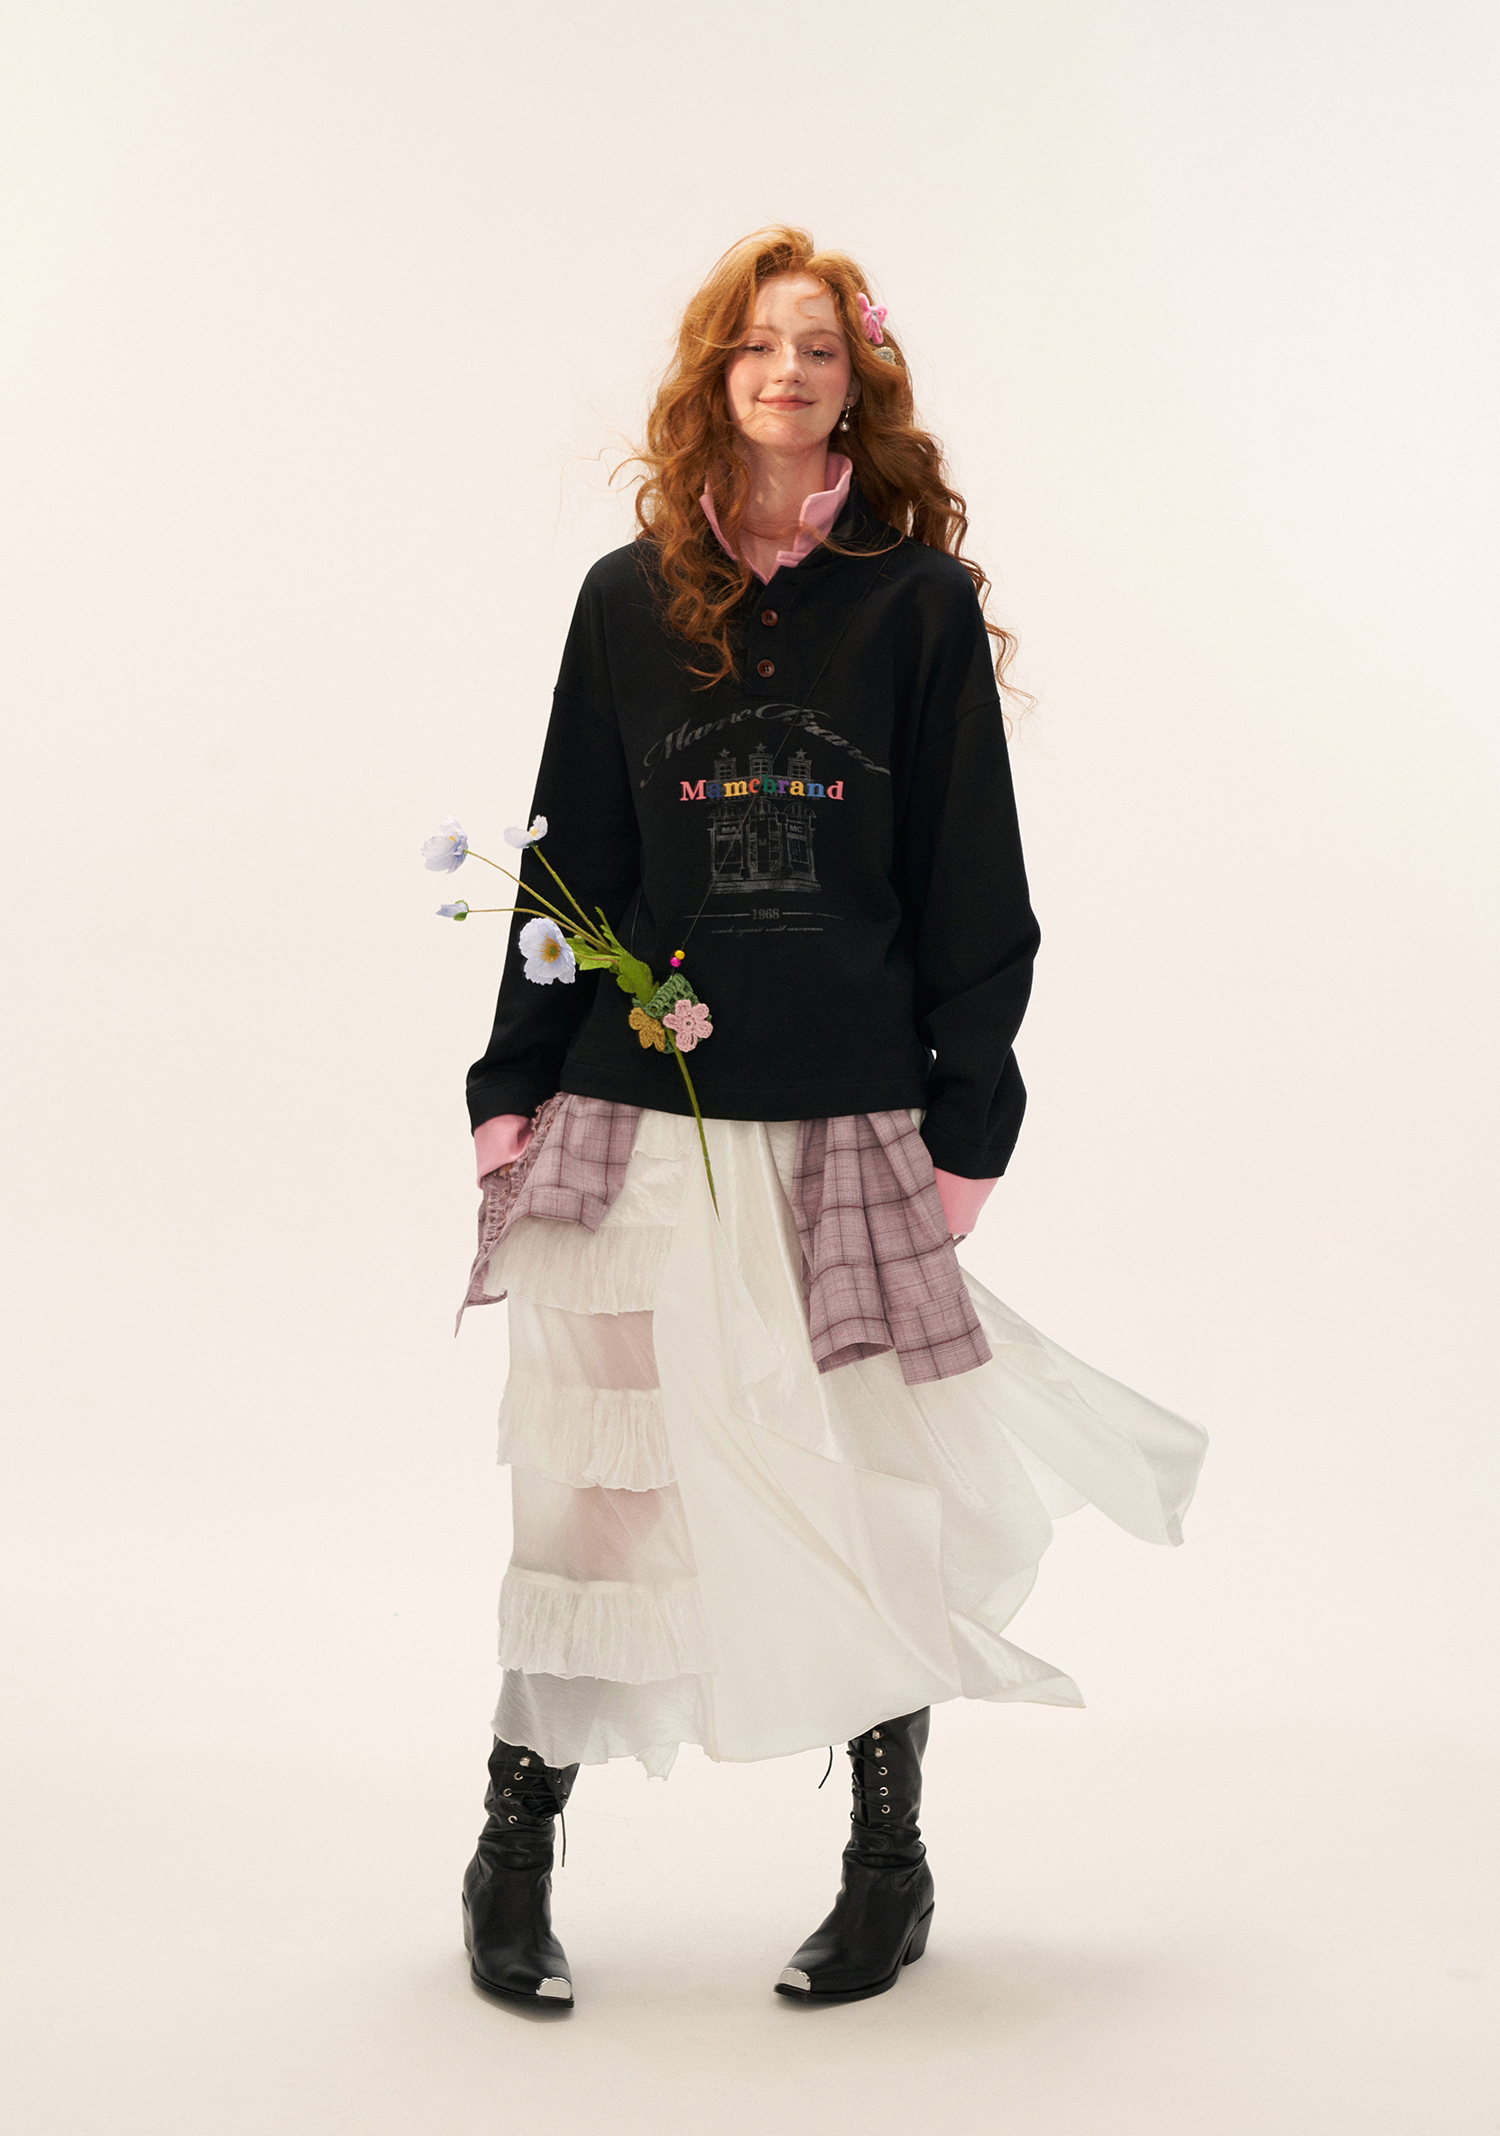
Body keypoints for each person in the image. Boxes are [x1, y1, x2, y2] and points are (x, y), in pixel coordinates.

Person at [451, 225, 1207, 2010]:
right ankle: (511, 1852)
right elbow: (569, 855)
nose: (785, 372)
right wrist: (510, 1087)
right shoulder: (625, 599)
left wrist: (969, 1123)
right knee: (592, 1501)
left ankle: (888, 1866)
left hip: (847, 1130)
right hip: (631, 1116)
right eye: (755, 346)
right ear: (714, 376)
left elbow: (973, 881)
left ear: (856, 382)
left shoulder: (915, 606)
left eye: (817, 347)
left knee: (864, 1491)